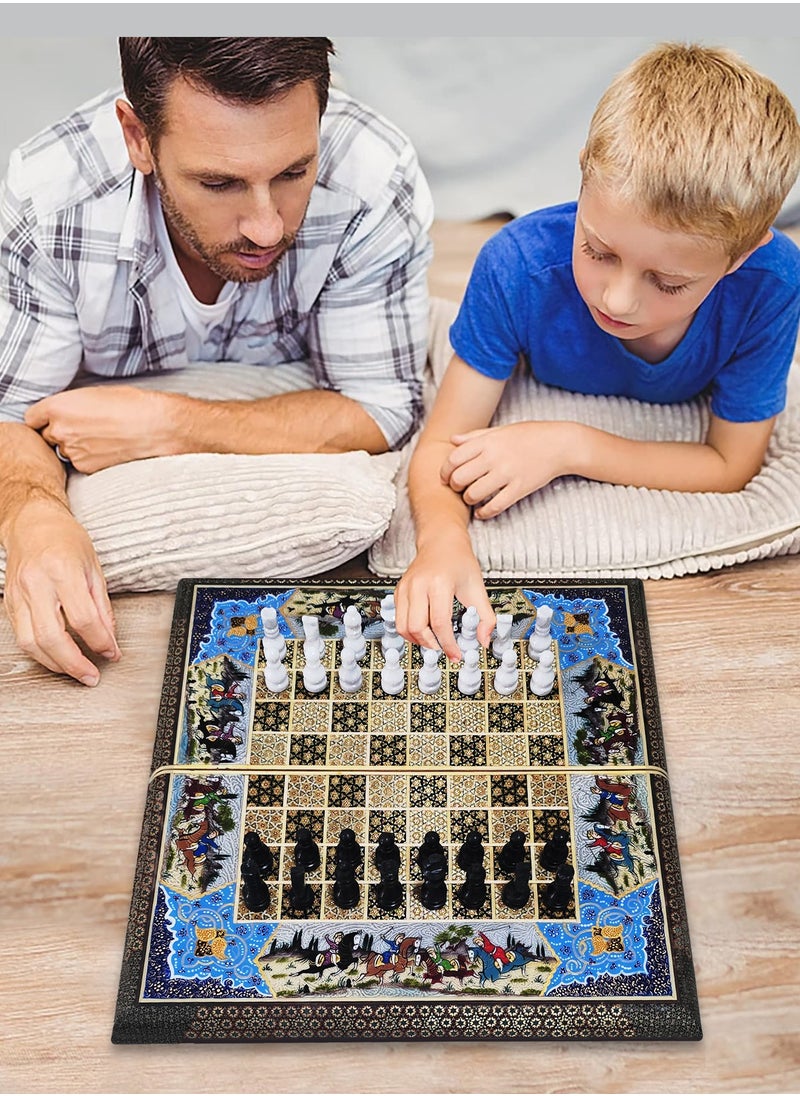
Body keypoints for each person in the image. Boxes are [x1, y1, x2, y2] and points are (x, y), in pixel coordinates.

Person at [0, 37, 433, 685]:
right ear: (138, 137)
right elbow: (10, 414)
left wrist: (169, 423)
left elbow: (383, 404)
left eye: (293, 173)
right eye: (219, 182)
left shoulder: (375, 174)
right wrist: (35, 517)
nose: (265, 226)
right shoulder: (49, 201)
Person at [395, 42, 800, 659]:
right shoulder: (516, 264)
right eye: (598, 250)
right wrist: (443, 540)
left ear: (741, 257)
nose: (619, 299)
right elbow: (441, 444)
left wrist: (569, 445)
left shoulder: (772, 282)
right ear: (584, 171)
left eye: (669, 283)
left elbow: (731, 464)